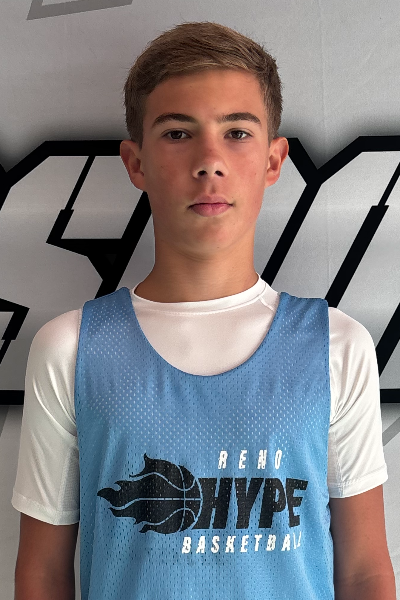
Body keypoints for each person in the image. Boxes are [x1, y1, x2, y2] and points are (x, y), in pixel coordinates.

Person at [12, 21, 396, 600]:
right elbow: (41, 573)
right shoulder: (70, 348)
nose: (210, 160)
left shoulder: (336, 346)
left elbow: (365, 570)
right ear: (136, 163)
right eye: (178, 133)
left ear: (274, 160)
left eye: (237, 132)